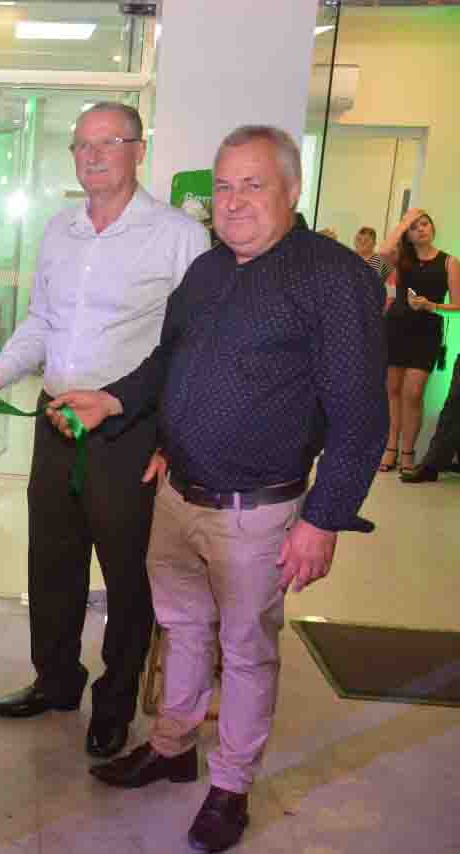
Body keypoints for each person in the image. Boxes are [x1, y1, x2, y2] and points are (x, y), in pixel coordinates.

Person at [52, 125, 386, 853]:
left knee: (245, 651)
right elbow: (168, 364)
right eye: (224, 186)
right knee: (182, 629)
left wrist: (324, 518)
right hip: (177, 495)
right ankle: (173, 746)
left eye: (253, 185)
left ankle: (230, 787)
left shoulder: (333, 279)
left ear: (292, 189)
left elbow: (362, 416)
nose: (233, 202)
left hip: (257, 512)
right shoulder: (206, 271)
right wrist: (113, 401)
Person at [0, 102, 209, 760]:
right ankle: (56, 680)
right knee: (53, 562)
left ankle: (114, 703)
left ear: (139, 151)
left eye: (108, 143)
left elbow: (192, 351)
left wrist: (171, 440)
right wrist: (0, 369)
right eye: (81, 146)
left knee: (129, 577)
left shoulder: (179, 237)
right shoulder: (59, 230)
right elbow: (41, 321)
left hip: (130, 433)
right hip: (56, 422)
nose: (92, 156)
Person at [376, 209, 460, 474]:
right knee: (392, 390)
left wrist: (431, 305)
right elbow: (383, 252)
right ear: (408, 236)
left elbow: (458, 306)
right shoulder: (402, 258)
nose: (421, 229)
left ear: (432, 228)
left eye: (425, 224)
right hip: (396, 328)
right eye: (414, 227)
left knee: (413, 393)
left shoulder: (449, 262)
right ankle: (390, 448)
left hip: (426, 332)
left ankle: (408, 451)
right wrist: (404, 222)